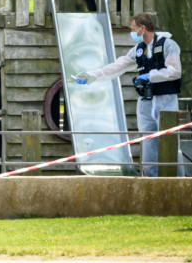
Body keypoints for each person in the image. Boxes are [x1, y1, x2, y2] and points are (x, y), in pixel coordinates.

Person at [75, 13, 182, 177]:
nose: (132, 33)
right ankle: (151, 179)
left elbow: (175, 71)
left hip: (165, 100)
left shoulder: (168, 45)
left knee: (170, 142)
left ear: (142, 28)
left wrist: (150, 76)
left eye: (133, 29)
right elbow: (117, 66)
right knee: (148, 143)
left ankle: (178, 181)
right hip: (145, 101)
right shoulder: (138, 50)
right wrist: (92, 76)